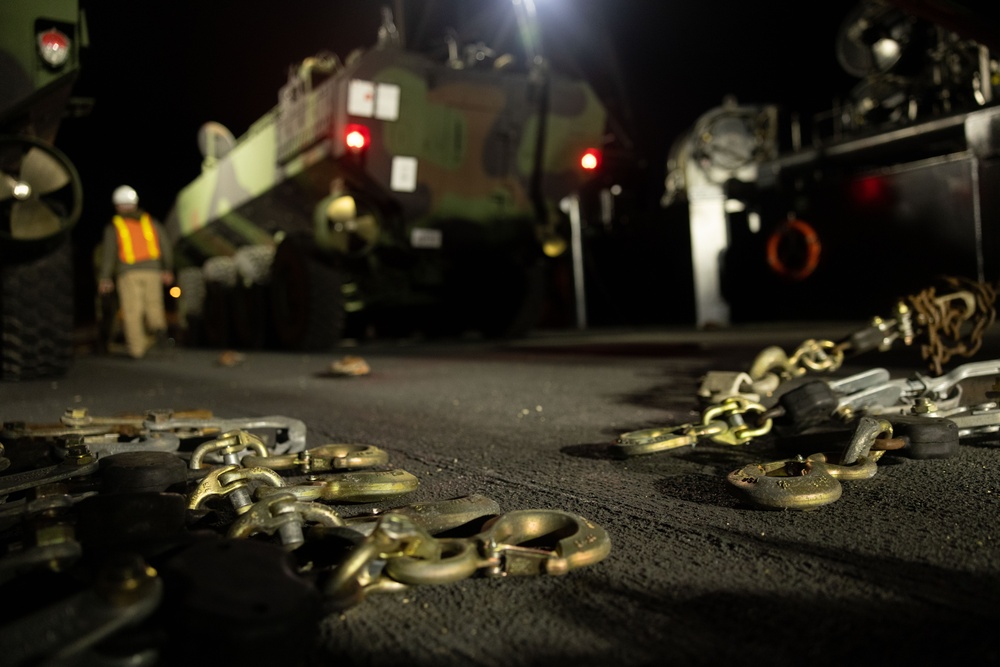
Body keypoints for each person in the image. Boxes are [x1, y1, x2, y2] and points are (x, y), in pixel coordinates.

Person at [98, 185, 174, 358]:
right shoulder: (151, 221)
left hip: (128, 273)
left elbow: (109, 254)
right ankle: (159, 331)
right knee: (154, 305)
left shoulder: (115, 226)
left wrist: (105, 277)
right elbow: (165, 246)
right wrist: (167, 269)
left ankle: (137, 350)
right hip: (153, 271)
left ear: (117, 206)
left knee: (132, 310)